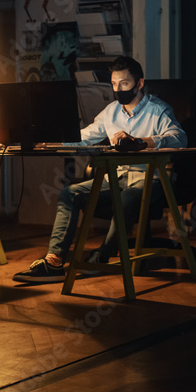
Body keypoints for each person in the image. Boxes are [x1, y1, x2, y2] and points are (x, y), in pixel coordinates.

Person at [13, 56, 187, 283]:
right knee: (69, 194)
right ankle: (54, 262)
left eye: (124, 84)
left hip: (150, 179)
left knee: (125, 199)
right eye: (114, 84)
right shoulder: (111, 111)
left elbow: (179, 138)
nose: (118, 89)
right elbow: (83, 138)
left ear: (139, 83)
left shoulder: (158, 109)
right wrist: (49, 142)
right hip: (115, 178)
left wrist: (141, 141)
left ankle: (102, 256)